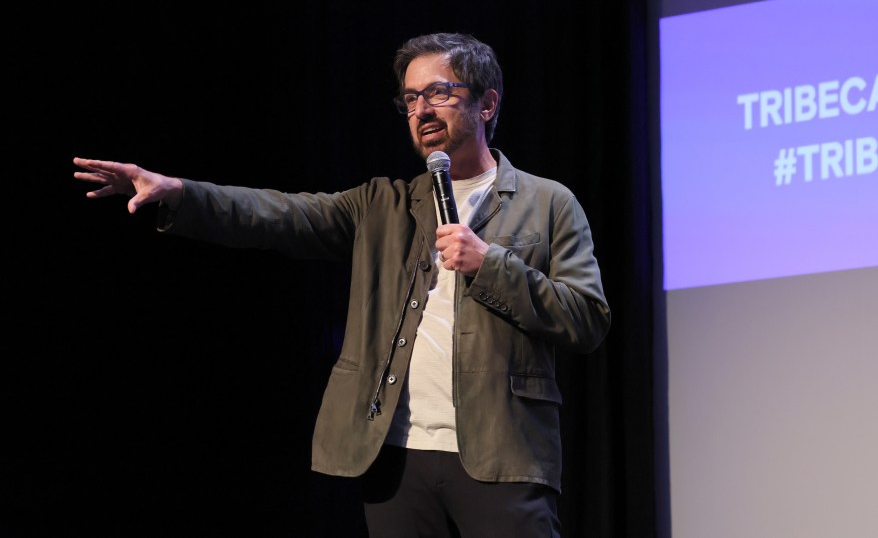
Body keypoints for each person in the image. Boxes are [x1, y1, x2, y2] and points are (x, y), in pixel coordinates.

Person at [73, 32, 611, 537]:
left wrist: (490, 263)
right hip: (397, 455)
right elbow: (275, 214)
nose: (421, 110)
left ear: (486, 105)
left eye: (438, 93)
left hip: (503, 454)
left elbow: (586, 318)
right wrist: (180, 192)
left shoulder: (548, 203)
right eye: (410, 99)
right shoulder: (382, 205)